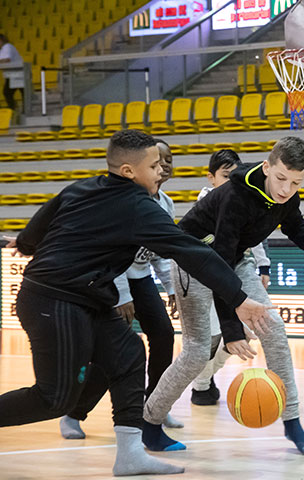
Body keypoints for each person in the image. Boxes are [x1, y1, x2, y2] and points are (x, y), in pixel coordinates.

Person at [0, 130, 274, 477]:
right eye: (155, 164)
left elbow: (38, 228)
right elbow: (192, 252)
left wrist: (23, 243)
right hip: (54, 300)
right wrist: (239, 297)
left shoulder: (81, 188)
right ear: (129, 171)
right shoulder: (139, 207)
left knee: (129, 353)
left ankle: (130, 455)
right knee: (55, 398)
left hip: (88, 298)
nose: (162, 169)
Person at [142, 137, 304, 455]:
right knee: (196, 352)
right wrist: (232, 330)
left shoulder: (287, 194)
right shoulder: (236, 195)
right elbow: (218, 265)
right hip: (194, 259)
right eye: (281, 179)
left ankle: (292, 422)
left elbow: (296, 227)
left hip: (236, 258)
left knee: (273, 326)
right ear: (266, 167)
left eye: (296, 182)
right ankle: (149, 424)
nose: (286, 189)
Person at [58, 139, 184, 440]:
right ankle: (74, 413)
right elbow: (109, 252)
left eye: (168, 159)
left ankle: (154, 404)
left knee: (164, 334)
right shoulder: (122, 199)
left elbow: (160, 253)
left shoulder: (165, 203)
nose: (164, 165)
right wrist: (123, 296)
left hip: (140, 278)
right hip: (110, 279)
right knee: (117, 349)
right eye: (157, 160)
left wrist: (171, 289)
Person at [190, 149, 272, 406]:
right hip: (206, 278)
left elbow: (252, 236)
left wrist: (264, 265)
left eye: (234, 175)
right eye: (225, 176)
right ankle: (201, 385)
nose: (231, 181)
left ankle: (203, 381)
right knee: (212, 340)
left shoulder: (242, 199)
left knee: (247, 333)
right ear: (211, 178)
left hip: (233, 273)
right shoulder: (205, 202)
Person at [0, 34, 24, 111]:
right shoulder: (2, 50)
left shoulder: (7, 46)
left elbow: (7, 59)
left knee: (8, 92)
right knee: (8, 92)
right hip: (12, 74)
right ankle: (14, 108)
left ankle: (14, 109)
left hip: (17, 73)